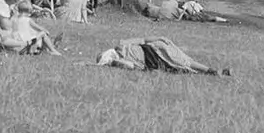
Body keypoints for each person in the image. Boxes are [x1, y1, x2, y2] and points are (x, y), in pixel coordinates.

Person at [96, 37, 231, 76]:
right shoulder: (122, 46)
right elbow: (143, 39)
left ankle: (212, 71)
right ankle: (212, 72)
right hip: (153, 52)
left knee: (185, 63)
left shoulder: (122, 47)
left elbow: (143, 40)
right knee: (183, 66)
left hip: (154, 53)